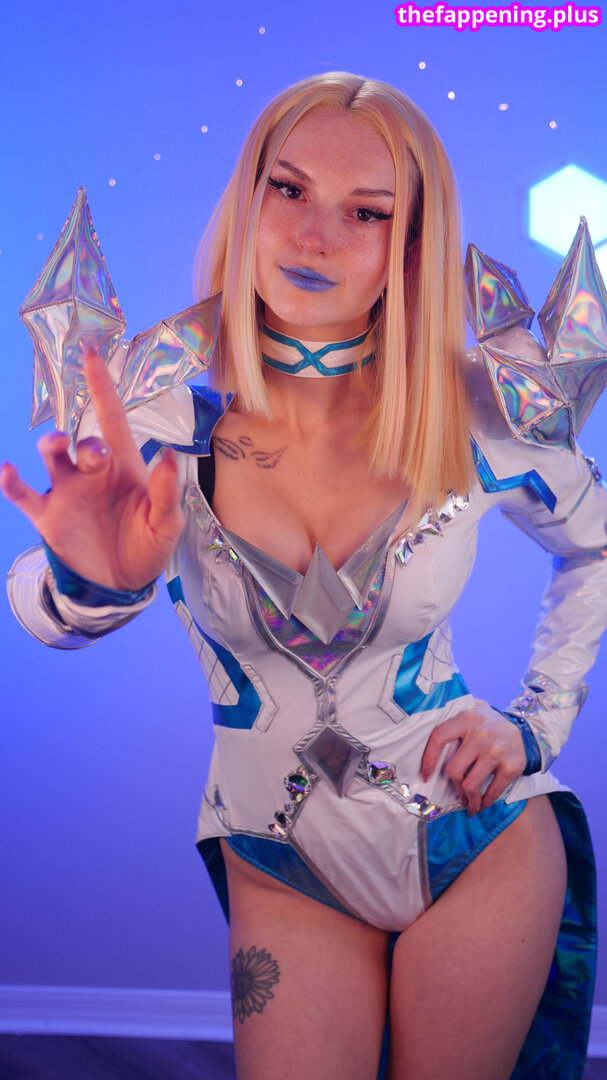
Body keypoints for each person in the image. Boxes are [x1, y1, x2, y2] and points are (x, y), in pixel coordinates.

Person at [2, 72, 606, 1080]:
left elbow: (597, 542)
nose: (315, 237)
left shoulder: (474, 412)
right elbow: (36, 604)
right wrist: (92, 580)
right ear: (248, 200)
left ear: (409, 246)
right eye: (288, 190)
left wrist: (534, 721)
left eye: (366, 212)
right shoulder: (164, 413)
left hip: (476, 839)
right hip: (282, 861)